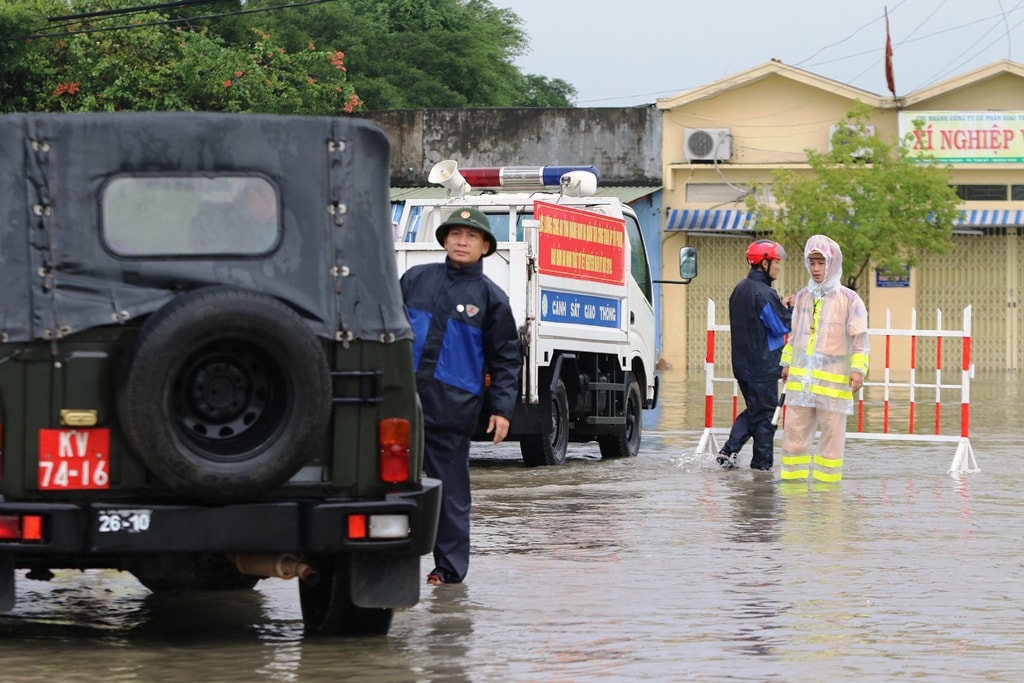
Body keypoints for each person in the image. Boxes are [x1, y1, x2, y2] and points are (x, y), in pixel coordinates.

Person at [399, 207, 521, 586]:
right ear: (444, 240)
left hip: (451, 409)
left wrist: (501, 409)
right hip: (399, 402)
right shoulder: (415, 279)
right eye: (455, 234)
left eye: (471, 236)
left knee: (450, 495)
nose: (461, 241)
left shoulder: (491, 298)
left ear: (485, 246)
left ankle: (448, 572)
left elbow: (506, 357)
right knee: (386, 486)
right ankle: (384, 560)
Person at [779, 234, 870, 485]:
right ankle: (792, 497)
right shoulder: (803, 297)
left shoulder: (850, 300)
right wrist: (786, 365)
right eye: (812, 263)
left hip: (833, 383)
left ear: (833, 263)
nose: (817, 269)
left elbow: (860, 339)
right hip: (801, 383)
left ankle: (827, 499)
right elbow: (794, 336)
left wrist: (858, 370)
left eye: (822, 263)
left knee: (831, 445)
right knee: (793, 439)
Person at [717, 240, 794, 471]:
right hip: (762, 366)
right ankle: (730, 451)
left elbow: (759, 319)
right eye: (776, 262)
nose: (779, 267)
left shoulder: (741, 289)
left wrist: (779, 304)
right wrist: (791, 308)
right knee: (764, 414)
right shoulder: (763, 293)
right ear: (763, 263)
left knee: (760, 414)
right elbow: (781, 326)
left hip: (744, 366)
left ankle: (760, 469)